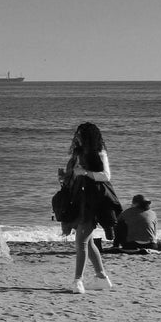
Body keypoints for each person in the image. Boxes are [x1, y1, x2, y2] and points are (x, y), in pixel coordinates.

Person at [62, 122, 117, 293]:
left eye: (80, 134)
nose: (76, 137)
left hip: (92, 201)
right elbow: (75, 175)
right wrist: (65, 178)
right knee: (89, 241)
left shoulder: (99, 153)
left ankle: (78, 282)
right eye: (76, 134)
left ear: (88, 137)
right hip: (78, 199)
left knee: (81, 242)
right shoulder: (77, 153)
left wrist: (86, 173)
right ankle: (101, 278)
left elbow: (106, 176)